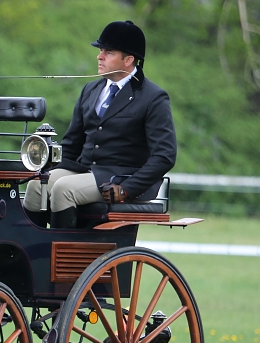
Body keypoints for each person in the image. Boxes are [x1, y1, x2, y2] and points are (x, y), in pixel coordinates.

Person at [22, 20, 177, 228]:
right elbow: (72, 143)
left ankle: (63, 257)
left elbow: (164, 156)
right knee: (36, 186)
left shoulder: (153, 98)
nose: (99, 56)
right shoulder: (91, 90)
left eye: (109, 52)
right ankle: (31, 253)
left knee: (63, 188)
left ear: (128, 59)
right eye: (101, 50)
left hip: (119, 177)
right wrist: (42, 171)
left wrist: (127, 188)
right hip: (84, 170)